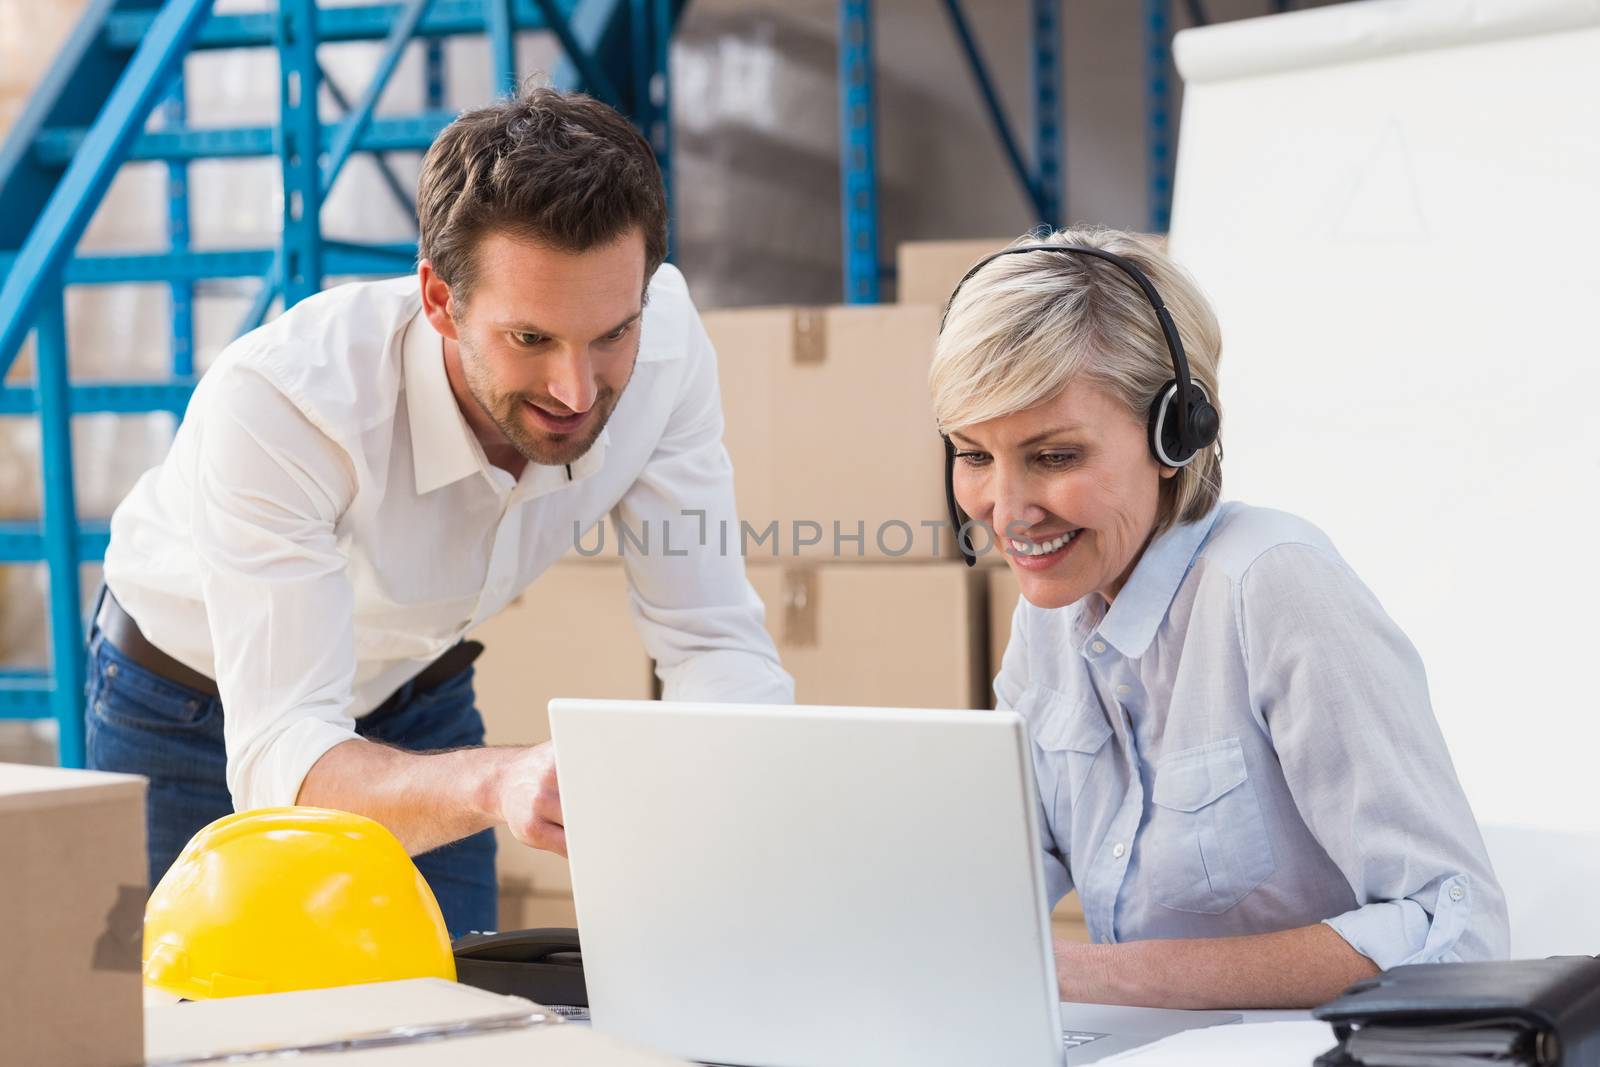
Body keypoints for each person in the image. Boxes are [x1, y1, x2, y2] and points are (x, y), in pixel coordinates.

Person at [88, 87, 792, 935]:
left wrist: (734, 797)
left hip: (415, 696)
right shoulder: (285, 403)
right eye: (530, 339)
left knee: (455, 1017)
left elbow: (714, 640)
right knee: (205, 1034)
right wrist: (496, 782)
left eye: (611, 333)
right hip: (191, 707)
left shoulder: (669, 348)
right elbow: (284, 759)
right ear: (438, 300)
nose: (577, 391)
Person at [930, 228, 1507, 1009]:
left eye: (1055, 457)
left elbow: (1456, 928)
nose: (1006, 509)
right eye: (973, 455)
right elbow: (997, 874)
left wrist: (1097, 975)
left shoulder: (1273, 587)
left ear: (1178, 430)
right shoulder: (1054, 614)